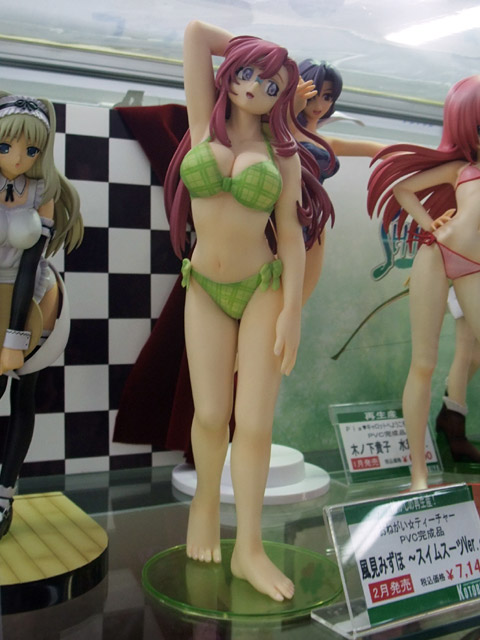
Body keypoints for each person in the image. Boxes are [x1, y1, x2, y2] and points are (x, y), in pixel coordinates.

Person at [164, 20, 334, 601]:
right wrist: (269, 51)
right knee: (211, 415)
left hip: (263, 287)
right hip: (205, 288)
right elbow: (194, 33)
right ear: (229, 72)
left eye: (272, 84)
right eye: (247, 73)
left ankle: (251, 548)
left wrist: (293, 310)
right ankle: (206, 506)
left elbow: (289, 235)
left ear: (283, 97)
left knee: (255, 423)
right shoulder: (201, 122)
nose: (256, 87)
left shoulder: (282, 154)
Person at [367, 75, 480, 490]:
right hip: (437, 253)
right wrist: (428, 222)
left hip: (473, 266)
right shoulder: (461, 169)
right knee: (423, 363)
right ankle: (418, 472)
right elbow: (403, 189)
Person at [0, 93, 83, 538]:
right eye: (6, 146)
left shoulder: (41, 191)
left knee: (22, 392)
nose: (18, 159)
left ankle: (5, 492)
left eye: (30, 150)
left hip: (30, 296)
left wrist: (14, 338)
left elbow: (30, 265)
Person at [292, 59, 387, 301]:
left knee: (299, 299)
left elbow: (374, 150)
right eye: (313, 96)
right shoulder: (281, 132)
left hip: (315, 223)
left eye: (327, 97)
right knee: (275, 296)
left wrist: (422, 161)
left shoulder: (326, 142)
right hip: (281, 219)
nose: (319, 105)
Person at [435, 287, 480, 462]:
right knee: (464, 352)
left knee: (475, 356)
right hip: (467, 282)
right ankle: (455, 433)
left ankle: (447, 417)